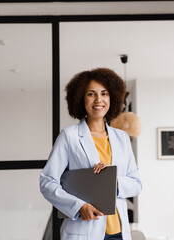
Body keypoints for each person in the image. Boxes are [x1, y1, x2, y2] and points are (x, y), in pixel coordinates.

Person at [40, 68, 142, 240]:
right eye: (91, 94)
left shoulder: (122, 138)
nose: (98, 100)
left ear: (112, 98)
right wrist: (78, 206)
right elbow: (47, 182)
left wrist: (112, 181)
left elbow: (136, 183)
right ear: (81, 98)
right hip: (84, 230)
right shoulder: (69, 136)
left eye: (104, 93)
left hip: (118, 232)